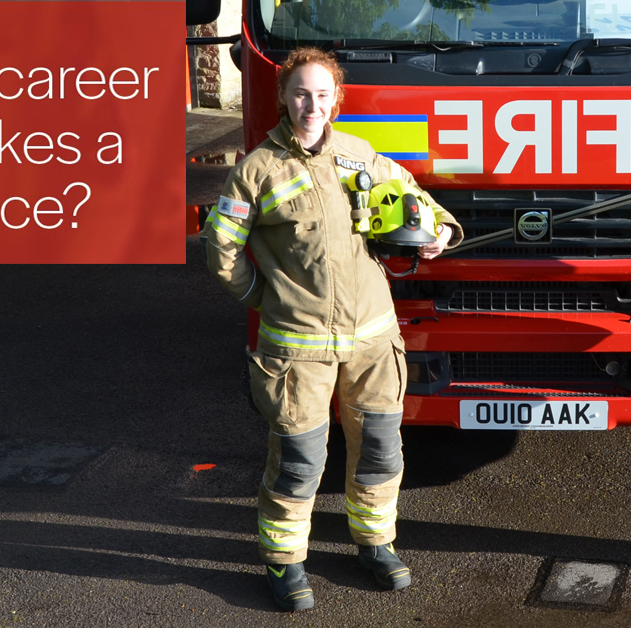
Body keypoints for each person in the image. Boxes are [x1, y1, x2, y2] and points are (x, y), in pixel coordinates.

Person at [203, 48, 463, 612]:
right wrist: (265, 299)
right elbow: (221, 250)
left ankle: (376, 545)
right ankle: (284, 561)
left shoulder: (358, 154)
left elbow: (413, 197)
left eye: (322, 94)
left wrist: (439, 229)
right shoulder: (256, 170)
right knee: (299, 463)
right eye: (301, 93)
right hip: (298, 350)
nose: (311, 104)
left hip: (373, 339)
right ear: (283, 97)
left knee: (380, 451)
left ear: (337, 99)